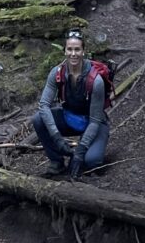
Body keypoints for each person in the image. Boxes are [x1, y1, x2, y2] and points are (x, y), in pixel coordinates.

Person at [32, 29, 109, 178]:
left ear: (83, 51)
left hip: (95, 122)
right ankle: (57, 162)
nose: (73, 54)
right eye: (70, 49)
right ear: (65, 51)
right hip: (71, 117)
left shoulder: (95, 81)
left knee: (92, 162)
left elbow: (95, 121)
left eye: (77, 49)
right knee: (38, 119)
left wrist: (80, 150)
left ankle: (84, 152)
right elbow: (44, 105)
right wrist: (56, 137)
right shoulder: (57, 73)